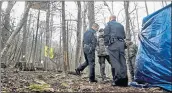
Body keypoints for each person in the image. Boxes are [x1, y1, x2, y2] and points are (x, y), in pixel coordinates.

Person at [104, 15, 128, 86]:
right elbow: (124, 36)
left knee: (115, 62)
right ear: (115, 19)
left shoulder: (109, 24)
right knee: (122, 61)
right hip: (121, 44)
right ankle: (124, 81)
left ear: (110, 19)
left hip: (113, 44)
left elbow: (106, 34)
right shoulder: (121, 25)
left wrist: (106, 43)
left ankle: (118, 81)